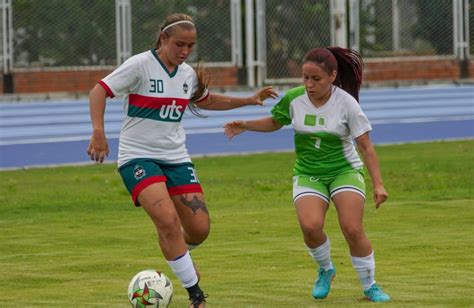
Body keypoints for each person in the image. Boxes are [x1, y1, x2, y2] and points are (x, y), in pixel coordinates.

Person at [87, 13, 277, 308]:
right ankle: (196, 295)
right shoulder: (140, 65)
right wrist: (98, 132)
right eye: (179, 44)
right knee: (167, 221)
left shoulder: (187, 74)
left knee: (200, 228)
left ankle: (179, 255)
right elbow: (99, 90)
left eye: (190, 45)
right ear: (163, 39)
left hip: (176, 158)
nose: (185, 51)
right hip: (138, 156)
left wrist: (248, 100)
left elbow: (206, 100)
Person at [224, 47, 391, 302]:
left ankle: (370, 286)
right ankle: (326, 270)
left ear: (332, 76)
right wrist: (245, 125)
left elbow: (366, 146)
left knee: (352, 228)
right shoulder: (293, 99)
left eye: (316, 79)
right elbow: (274, 121)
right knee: (310, 226)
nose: (309, 84)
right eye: (305, 78)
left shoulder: (347, 103)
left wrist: (378, 184)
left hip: (344, 171)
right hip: (308, 173)